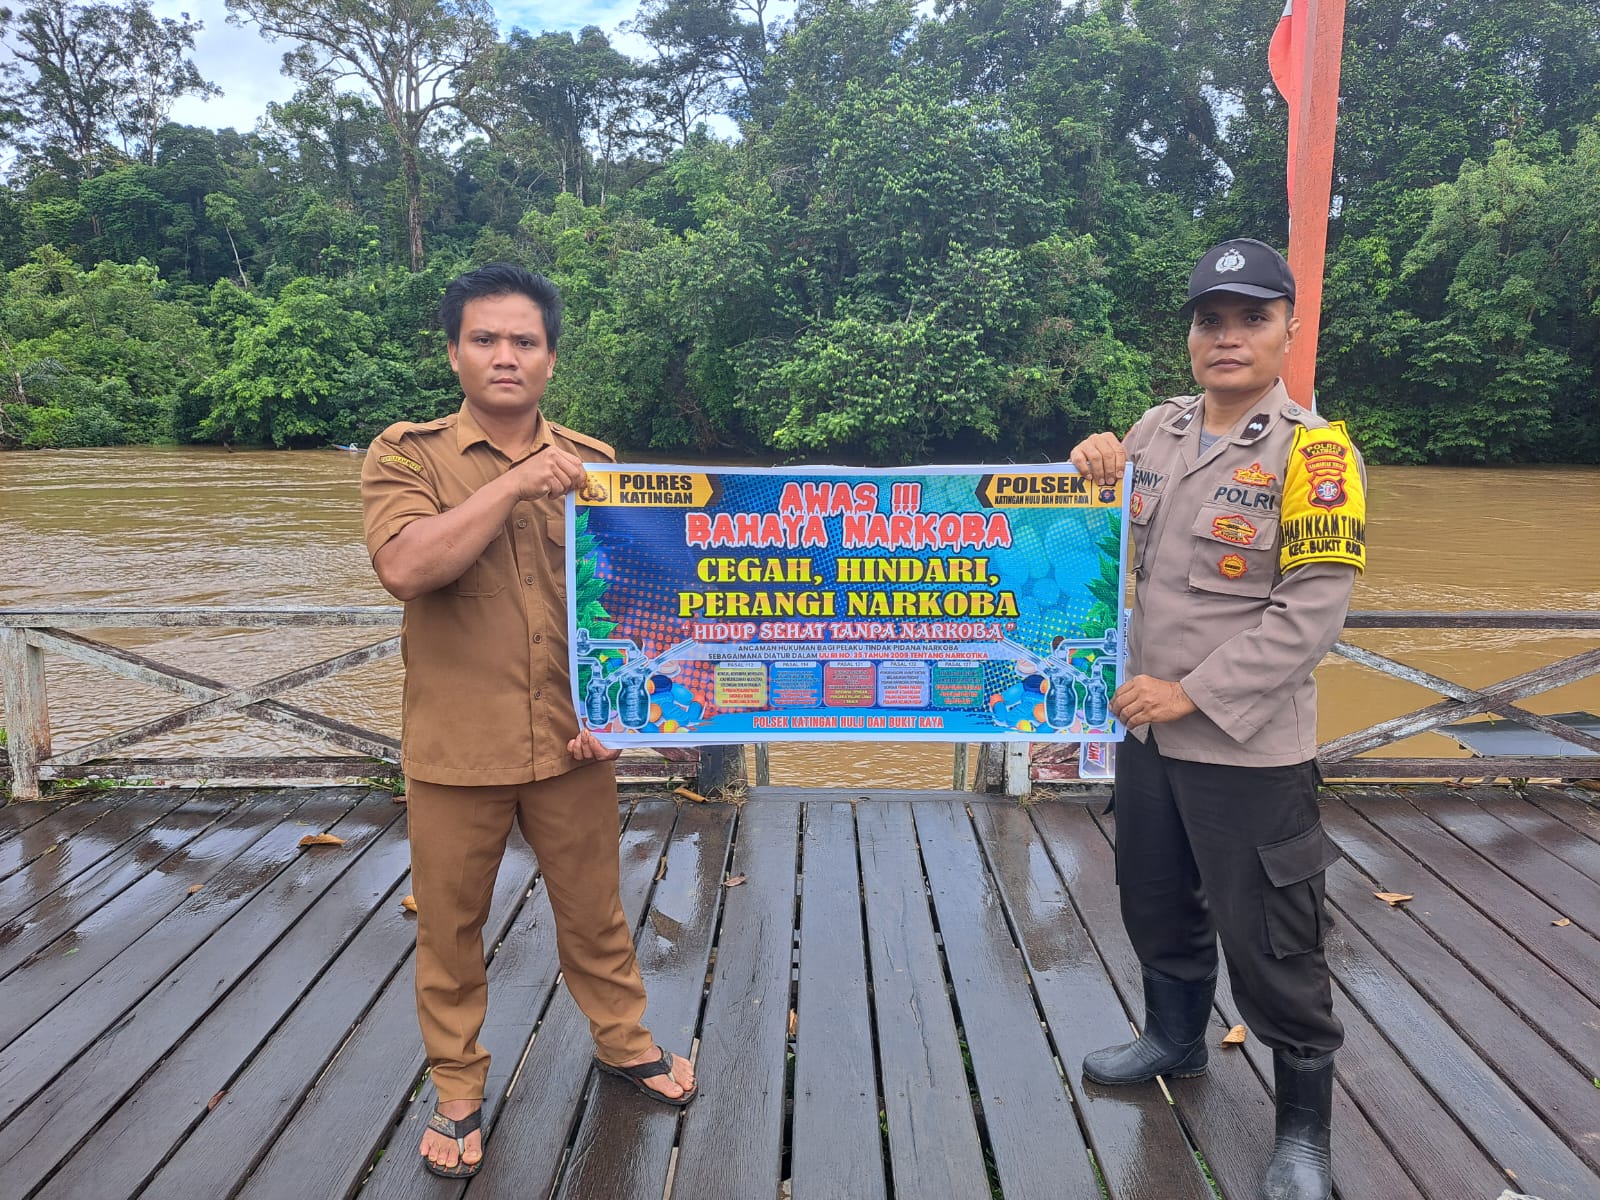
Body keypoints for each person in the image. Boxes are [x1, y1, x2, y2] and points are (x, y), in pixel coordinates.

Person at [361, 263, 697, 1180]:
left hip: (573, 740)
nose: (506, 356)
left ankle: (624, 1041)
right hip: (454, 745)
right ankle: (459, 1089)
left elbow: (641, 607)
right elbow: (406, 567)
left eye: (525, 341)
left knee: (595, 912)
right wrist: (513, 486)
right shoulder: (405, 453)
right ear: (455, 352)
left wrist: (624, 708)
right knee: (451, 926)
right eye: (486, 339)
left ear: (550, 357)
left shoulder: (598, 465)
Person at [1069, 239, 1365, 1200]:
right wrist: (1087, 464)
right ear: (1191, 333)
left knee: (1275, 943)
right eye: (1210, 319)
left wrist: (1190, 692)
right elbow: (1084, 548)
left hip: (1245, 748)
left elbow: (1309, 617)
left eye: (1250, 318)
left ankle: (1304, 1137)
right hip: (1147, 736)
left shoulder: (1317, 454)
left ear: (1287, 330)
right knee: (1154, 898)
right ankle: (1173, 1038)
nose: (1227, 337)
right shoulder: (1152, 434)